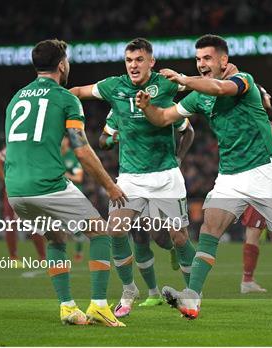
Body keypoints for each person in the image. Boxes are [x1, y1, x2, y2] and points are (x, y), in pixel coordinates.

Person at [135, 34, 272, 320]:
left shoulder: (243, 82)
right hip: (230, 177)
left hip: (266, 172)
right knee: (209, 229)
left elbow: (219, 87)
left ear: (223, 60)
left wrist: (183, 79)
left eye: (207, 58)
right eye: (198, 59)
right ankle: (192, 299)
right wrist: (146, 107)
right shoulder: (199, 96)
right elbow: (164, 118)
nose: (201, 64)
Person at [70, 38, 197, 318]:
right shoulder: (114, 86)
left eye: (139, 60)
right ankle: (129, 290)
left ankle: (191, 297)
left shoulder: (166, 84)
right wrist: (52, 95)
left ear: (151, 62)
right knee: (115, 231)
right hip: (130, 178)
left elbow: (204, 86)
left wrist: (177, 158)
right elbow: (79, 91)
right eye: (129, 60)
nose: (133, 66)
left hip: (166, 176)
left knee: (178, 237)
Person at [4, 39, 127, 327]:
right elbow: (81, 149)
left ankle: (67, 307)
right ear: (61, 64)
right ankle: (98, 305)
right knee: (99, 232)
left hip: (16, 190)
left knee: (56, 238)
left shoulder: (16, 98)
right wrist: (111, 186)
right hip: (47, 184)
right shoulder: (65, 98)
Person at [98, 108, 192, 307]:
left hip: (163, 180)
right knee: (136, 235)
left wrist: (179, 158)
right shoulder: (118, 106)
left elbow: (188, 131)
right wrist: (111, 139)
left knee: (163, 238)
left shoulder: (165, 102)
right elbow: (102, 141)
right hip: (132, 179)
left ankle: (192, 292)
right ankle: (152, 293)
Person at [240, 84, 272, 294]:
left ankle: (247, 280)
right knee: (256, 232)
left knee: (257, 231)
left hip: (266, 183)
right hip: (262, 185)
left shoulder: (266, 123)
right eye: (265, 93)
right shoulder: (259, 122)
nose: (270, 95)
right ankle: (246, 281)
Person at [0, 148, 46, 263]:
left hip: (16, 190)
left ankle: (16, 258)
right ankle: (40, 258)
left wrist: (7, 180)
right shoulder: (28, 147)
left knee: (17, 224)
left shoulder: (13, 146)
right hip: (25, 191)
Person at [60, 138, 87, 262]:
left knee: (76, 227)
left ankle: (78, 251)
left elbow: (79, 177)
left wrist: (66, 176)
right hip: (59, 195)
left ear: (67, 140)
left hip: (74, 195)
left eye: (63, 139)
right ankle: (59, 254)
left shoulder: (73, 156)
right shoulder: (54, 155)